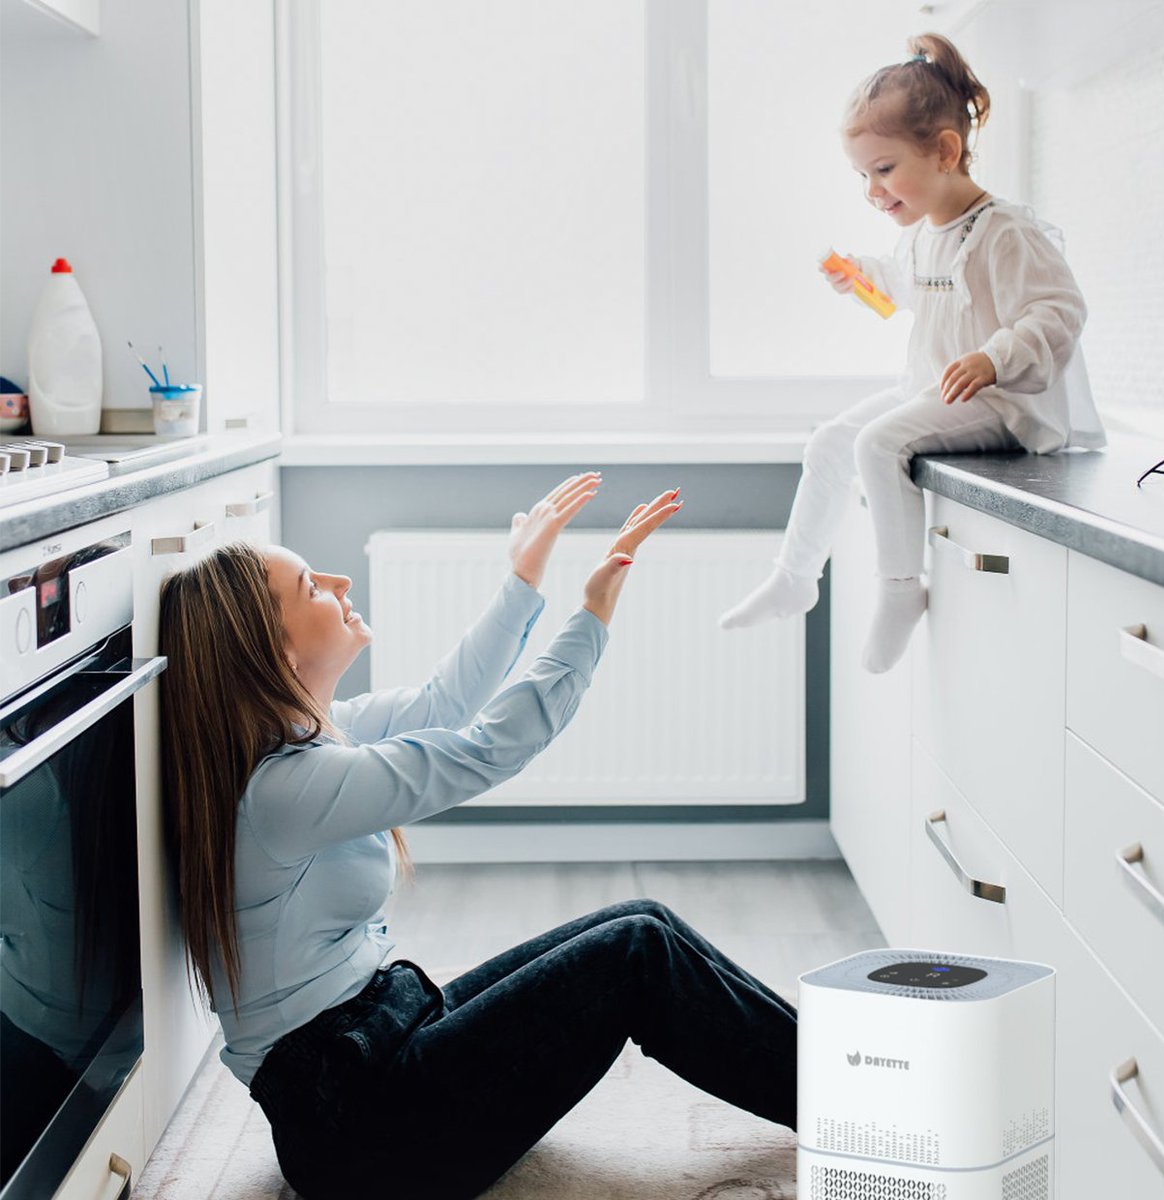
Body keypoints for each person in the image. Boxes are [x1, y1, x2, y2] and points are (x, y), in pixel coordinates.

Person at [158, 474, 797, 1200]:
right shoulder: (282, 790)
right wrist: (592, 613)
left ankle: (834, 1065)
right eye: (311, 586)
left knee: (641, 921)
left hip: (376, 1044)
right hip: (359, 1127)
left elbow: (446, 704)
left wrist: (523, 577)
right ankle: (848, 1100)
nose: (338, 581)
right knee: (637, 955)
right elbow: (489, 749)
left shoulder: (307, 744)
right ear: (273, 654)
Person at [720, 32, 1105, 671]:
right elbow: (911, 290)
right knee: (829, 443)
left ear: (946, 152)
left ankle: (901, 590)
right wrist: (862, 278)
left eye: (884, 169)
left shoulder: (1005, 232)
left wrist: (996, 356)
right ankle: (795, 577)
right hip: (936, 389)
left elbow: (1060, 310)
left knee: (877, 443)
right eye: (862, 175)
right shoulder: (928, 233)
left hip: (1000, 402)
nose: (872, 190)